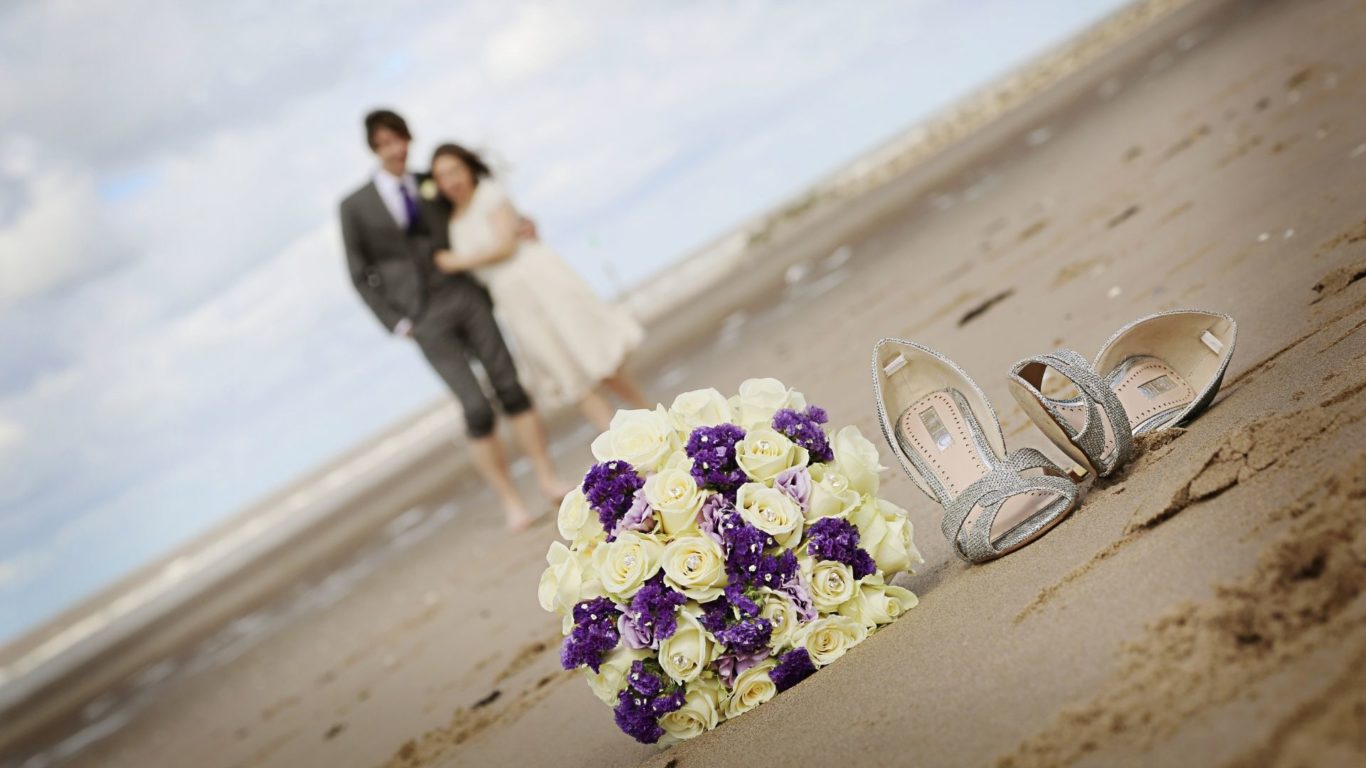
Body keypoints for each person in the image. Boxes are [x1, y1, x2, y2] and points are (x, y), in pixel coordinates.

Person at [339, 110, 571, 531]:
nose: (396, 149)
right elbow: (360, 274)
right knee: (476, 408)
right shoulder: (354, 207)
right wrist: (398, 323)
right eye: (385, 144)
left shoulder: (434, 182)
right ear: (374, 149)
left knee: (511, 387)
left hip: (466, 295)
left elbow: (477, 206)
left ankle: (547, 479)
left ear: (409, 140)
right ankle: (511, 503)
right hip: (422, 317)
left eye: (400, 140)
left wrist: (520, 224)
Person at [427, 143, 649, 432]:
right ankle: (618, 448)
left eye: (455, 170)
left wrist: (457, 261)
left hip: (539, 279)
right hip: (511, 299)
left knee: (594, 357)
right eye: (442, 176)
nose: (451, 180)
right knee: (567, 373)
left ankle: (650, 418)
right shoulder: (452, 221)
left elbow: (505, 246)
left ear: (468, 167)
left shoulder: (489, 194)